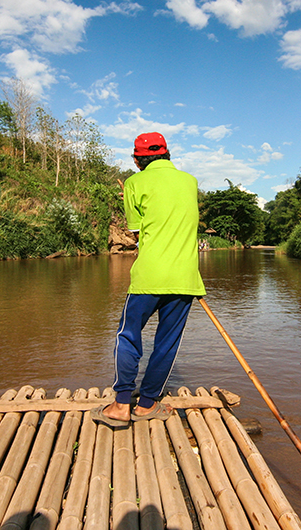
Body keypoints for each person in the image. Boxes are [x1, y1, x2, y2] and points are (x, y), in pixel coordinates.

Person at [92, 132, 206, 427]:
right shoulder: (190, 181)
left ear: (137, 159)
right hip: (185, 278)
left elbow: (138, 233)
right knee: (167, 344)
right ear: (167, 154)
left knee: (128, 336)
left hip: (149, 276)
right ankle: (146, 404)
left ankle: (120, 405)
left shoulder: (133, 183)